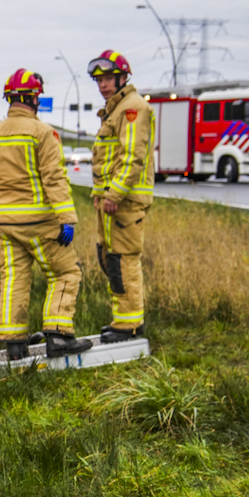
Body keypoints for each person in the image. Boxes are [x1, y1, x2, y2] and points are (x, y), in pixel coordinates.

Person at [0, 69, 86, 359]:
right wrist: (67, 218)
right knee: (65, 273)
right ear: (34, 99)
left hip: (6, 226)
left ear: (9, 99)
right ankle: (58, 335)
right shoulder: (42, 133)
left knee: (14, 280)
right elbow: (54, 178)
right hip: (40, 223)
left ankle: (14, 342)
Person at [87, 50, 154, 342]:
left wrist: (113, 194)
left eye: (108, 79)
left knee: (124, 260)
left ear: (123, 77)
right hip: (112, 202)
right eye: (98, 80)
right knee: (110, 259)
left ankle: (130, 325)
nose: (102, 85)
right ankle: (123, 320)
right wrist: (101, 194)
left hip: (124, 202)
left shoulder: (132, 108)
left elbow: (132, 157)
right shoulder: (116, 109)